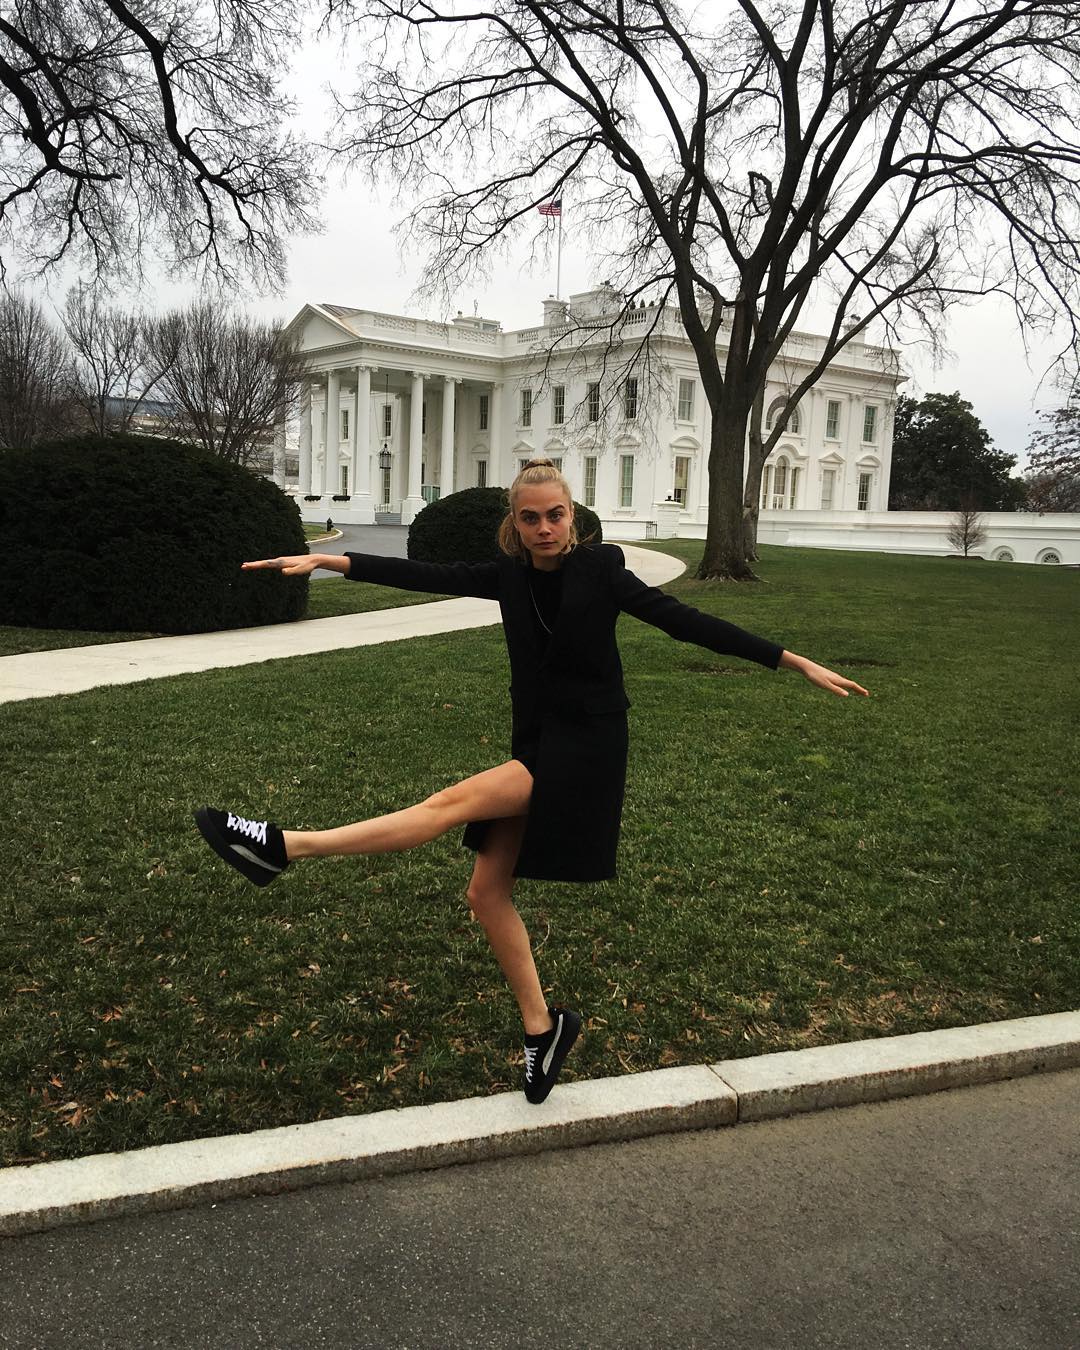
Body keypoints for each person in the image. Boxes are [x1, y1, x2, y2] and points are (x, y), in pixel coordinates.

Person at [195, 459, 868, 1104]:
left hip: (587, 747)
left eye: (555, 515)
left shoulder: (602, 569)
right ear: (514, 524)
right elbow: (425, 573)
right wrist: (329, 560)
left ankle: (285, 847)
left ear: (572, 517)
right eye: (530, 518)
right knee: (487, 895)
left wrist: (791, 660)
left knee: (449, 803)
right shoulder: (509, 577)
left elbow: (686, 623)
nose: (544, 528)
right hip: (540, 740)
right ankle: (544, 1032)